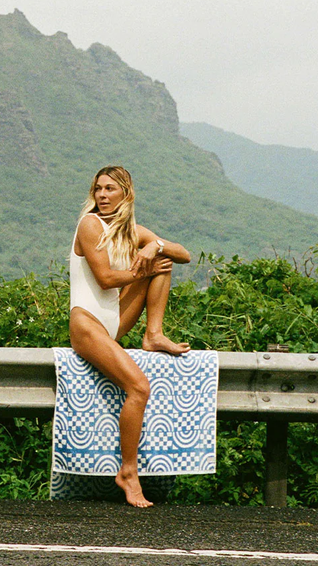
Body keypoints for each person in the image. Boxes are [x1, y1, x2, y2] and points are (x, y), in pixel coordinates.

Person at [69, 165, 191, 508]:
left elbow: (184, 254)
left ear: (126, 193)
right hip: (86, 323)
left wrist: (156, 246)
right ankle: (128, 471)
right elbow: (106, 279)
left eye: (110, 189)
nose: (102, 195)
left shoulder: (131, 231)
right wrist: (145, 265)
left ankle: (153, 334)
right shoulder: (90, 224)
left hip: (114, 320)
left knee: (164, 259)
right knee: (139, 387)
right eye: (98, 189)